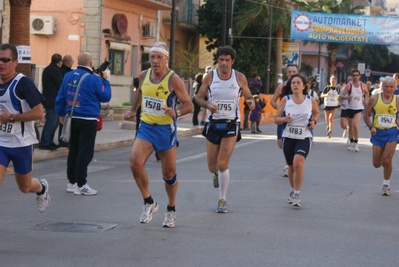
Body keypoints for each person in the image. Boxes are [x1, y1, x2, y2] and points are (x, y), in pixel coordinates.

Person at [123, 42, 193, 228]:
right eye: (152, 57)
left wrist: (176, 112)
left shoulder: (173, 80)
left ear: (166, 59)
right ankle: (149, 202)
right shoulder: (143, 76)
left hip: (165, 130)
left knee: (169, 173)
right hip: (146, 126)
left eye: (158, 57)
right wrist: (132, 110)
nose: (154, 61)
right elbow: (140, 93)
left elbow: (189, 104)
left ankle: (171, 209)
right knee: (134, 163)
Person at [195, 46, 255, 213]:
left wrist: (251, 102)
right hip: (213, 123)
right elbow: (198, 97)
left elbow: (249, 96)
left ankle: (222, 200)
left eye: (227, 60)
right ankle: (215, 174)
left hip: (231, 123)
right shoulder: (210, 76)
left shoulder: (239, 77)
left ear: (232, 62)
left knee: (222, 163)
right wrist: (207, 105)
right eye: (221, 60)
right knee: (212, 166)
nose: (224, 63)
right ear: (218, 61)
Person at [0, 43, 49, 212]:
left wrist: (11, 117)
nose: (1, 63)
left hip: (21, 143)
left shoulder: (24, 83)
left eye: (5, 60)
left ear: (15, 62)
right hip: (1, 144)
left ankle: (41, 188)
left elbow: (38, 114)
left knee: (25, 187)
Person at [55, 52, 111, 196]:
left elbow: (61, 96)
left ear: (77, 63)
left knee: (73, 150)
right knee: (85, 152)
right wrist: (105, 81)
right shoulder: (93, 79)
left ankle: (71, 182)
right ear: (90, 64)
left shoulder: (67, 76)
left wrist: (61, 114)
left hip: (72, 117)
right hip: (88, 119)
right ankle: (81, 184)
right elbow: (105, 96)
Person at [274, 74, 320, 207]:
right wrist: (284, 120)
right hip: (288, 136)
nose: (295, 85)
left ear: (304, 86)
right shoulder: (286, 100)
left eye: (298, 82)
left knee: (298, 163)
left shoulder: (310, 100)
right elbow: (276, 118)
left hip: (304, 137)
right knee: (291, 166)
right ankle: (292, 190)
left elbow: (317, 113)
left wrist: (314, 121)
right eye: (293, 83)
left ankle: (297, 193)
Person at [363, 76, 399, 196]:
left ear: (395, 88)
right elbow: (366, 116)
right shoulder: (374, 99)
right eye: (386, 86)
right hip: (378, 133)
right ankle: (385, 164)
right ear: (382, 87)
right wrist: (371, 126)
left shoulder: (397, 100)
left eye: (391, 87)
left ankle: (386, 184)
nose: (388, 89)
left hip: (392, 133)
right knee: (377, 164)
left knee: (387, 160)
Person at [271, 64, 299, 177]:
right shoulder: (282, 86)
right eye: (290, 72)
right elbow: (272, 101)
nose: (291, 74)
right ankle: (290, 162)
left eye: (294, 72)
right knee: (281, 144)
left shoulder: (302, 86)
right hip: (283, 119)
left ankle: (288, 166)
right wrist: (280, 109)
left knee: (291, 142)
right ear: (286, 73)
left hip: (297, 120)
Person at [339, 70, 369, 152]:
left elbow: (367, 93)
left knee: (355, 125)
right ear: (352, 77)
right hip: (349, 108)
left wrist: (366, 100)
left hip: (358, 108)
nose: (355, 77)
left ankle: (356, 143)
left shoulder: (362, 85)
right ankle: (351, 141)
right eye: (354, 75)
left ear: (359, 76)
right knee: (351, 126)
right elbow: (341, 96)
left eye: (357, 75)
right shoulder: (349, 86)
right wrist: (347, 98)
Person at [39, 53, 63, 150]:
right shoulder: (55, 71)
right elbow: (60, 84)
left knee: (55, 121)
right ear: (59, 62)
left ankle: (49, 140)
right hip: (52, 100)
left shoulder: (47, 69)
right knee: (52, 121)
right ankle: (45, 142)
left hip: (48, 99)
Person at [58, 55, 74, 148]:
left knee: (63, 121)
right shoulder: (68, 74)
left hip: (64, 99)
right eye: (72, 62)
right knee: (64, 121)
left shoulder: (61, 71)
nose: (72, 64)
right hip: (67, 99)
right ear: (68, 63)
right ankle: (64, 139)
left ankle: (63, 139)